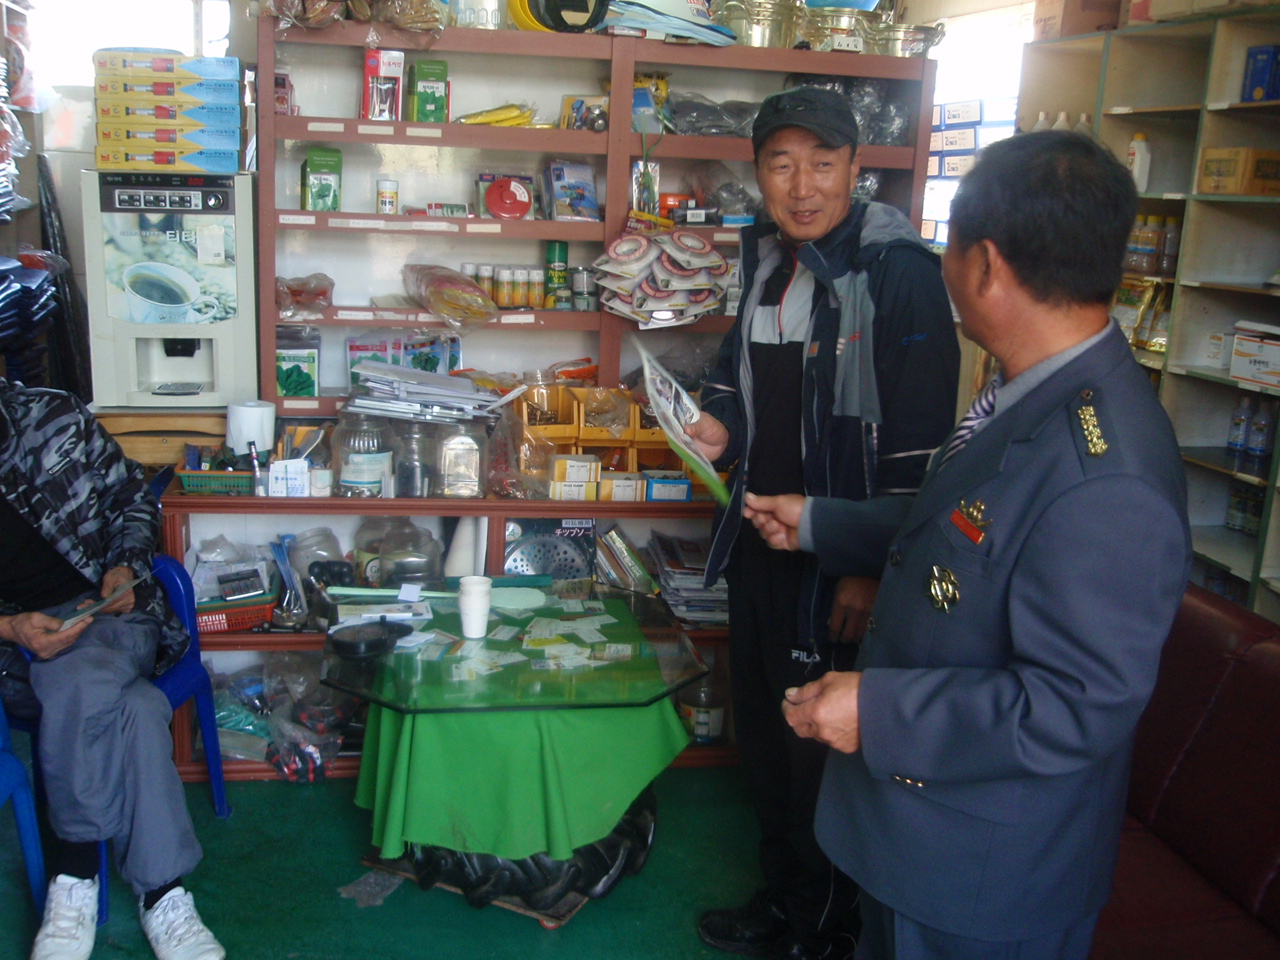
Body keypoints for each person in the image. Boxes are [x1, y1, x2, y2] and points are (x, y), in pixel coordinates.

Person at [743, 131, 1193, 959]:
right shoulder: (1033, 396)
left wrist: (878, 712)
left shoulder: (1106, 473)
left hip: (983, 880)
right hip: (921, 842)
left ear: (984, 266)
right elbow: (963, 532)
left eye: (948, 245)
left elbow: (1074, 708)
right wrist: (818, 522)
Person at [684, 86, 959, 960]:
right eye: (781, 164)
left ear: (855, 168)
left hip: (836, 559)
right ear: (758, 172)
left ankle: (827, 928)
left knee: (821, 752)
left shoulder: (897, 274)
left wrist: (868, 567)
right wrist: (719, 427)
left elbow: (920, 450)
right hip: (762, 541)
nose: (802, 186)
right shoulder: (768, 261)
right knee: (768, 738)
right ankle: (784, 897)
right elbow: (734, 377)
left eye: (822, 163)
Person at [0, 379, 225, 960]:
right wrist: (12, 627)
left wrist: (125, 567)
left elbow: (132, 498)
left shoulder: (53, 418)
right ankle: (163, 895)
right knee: (135, 708)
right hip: (15, 648)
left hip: (113, 614)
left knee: (81, 677)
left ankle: (74, 874)